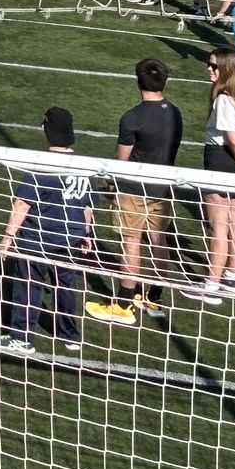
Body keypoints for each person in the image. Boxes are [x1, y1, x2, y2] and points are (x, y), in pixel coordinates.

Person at [86, 58, 185, 326]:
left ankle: (124, 304)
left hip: (133, 189)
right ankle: (153, 296)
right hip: (163, 187)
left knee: (131, 243)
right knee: (158, 240)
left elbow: (121, 159)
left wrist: (110, 184)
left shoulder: (133, 117)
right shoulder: (175, 112)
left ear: (138, 81)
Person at [0, 107, 93, 355]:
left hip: (38, 239)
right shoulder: (84, 166)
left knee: (28, 285)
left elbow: (22, 204)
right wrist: (87, 234)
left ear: (47, 129)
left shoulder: (42, 166)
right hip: (70, 238)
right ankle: (70, 335)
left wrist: (7, 238)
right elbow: (87, 205)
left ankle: (22, 337)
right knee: (65, 287)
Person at [181, 50, 235, 304]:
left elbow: (232, 138)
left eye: (214, 66)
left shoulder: (224, 99)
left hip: (221, 160)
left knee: (218, 226)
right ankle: (232, 277)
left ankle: (212, 284)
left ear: (225, 70)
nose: (209, 69)